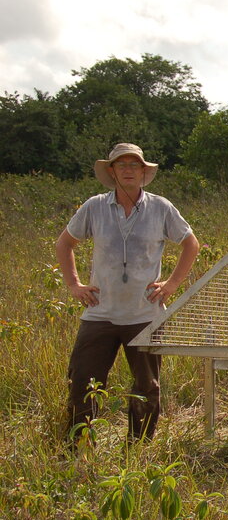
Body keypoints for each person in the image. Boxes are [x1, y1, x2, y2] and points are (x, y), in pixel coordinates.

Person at [56, 143, 199, 443]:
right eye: (122, 164)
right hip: (100, 313)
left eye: (135, 164)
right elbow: (64, 243)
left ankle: (138, 448)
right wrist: (74, 285)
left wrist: (171, 284)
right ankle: (77, 448)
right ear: (111, 171)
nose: (129, 169)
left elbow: (191, 244)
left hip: (144, 314)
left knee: (146, 387)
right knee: (83, 381)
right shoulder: (94, 207)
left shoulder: (161, 208)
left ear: (144, 171)